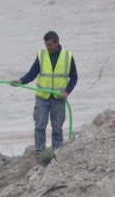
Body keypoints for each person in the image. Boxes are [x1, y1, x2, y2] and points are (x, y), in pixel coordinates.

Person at [14, 30, 78, 158]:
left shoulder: (67, 56)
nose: (48, 47)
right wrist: (21, 81)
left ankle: (57, 153)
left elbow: (74, 77)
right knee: (40, 126)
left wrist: (67, 91)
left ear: (57, 43)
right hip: (42, 97)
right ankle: (40, 153)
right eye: (46, 44)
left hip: (58, 98)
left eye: (50, 45)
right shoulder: (42, 55)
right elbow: (32, 73)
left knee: (57, 128)